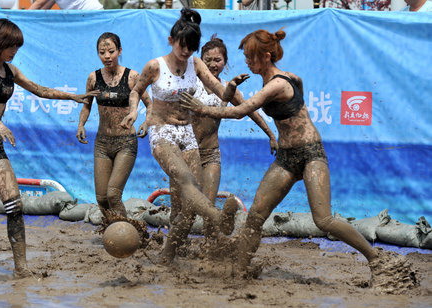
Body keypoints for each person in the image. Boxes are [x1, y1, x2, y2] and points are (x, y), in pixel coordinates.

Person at [180, 29, 417, 292]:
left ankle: (378, 260)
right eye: (246, 56)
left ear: (266, 56)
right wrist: (233, 87)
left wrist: (200, 108)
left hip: (310, 154)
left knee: (323, 220)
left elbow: (239, 112)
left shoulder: (278, 83)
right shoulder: (288, 78)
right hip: (286, 157)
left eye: (250, 56)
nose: (247, 61)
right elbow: (292, 90)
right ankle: (239, 272)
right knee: (256, 215)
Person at [0, 18, 98, 278]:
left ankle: (21, 268)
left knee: (14, 205)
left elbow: (39, 90)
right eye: (11, 46)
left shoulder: (11, 71)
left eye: (17, 47)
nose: (14, 51)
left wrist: (72, 96)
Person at [121, 8, 243, 263]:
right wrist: (134, 112)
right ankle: (218, 217)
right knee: (188, 182)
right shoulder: (155, 66)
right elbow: (136, 91)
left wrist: (231, 86)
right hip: (161, 131)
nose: (186, 52)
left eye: (191, 47)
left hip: (187, 134)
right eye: (182, 46)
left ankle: (168, 254)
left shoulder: (196, 64)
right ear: (171, 41)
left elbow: (222, 93)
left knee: (187, 203)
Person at [180, 35, 277, 236]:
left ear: (225, 62)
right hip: (188, 154)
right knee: (186, 208)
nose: (213, 64)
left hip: (211, 154)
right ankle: (176, 247)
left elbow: (250, 110)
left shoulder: (226, 88)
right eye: (208, 60)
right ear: (200, 60)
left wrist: (271, 135)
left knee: (208, 206)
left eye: (218, 60)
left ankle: (209, 252)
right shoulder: (190, 83)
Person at [76, 32, 151, 225]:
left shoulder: (132, 76)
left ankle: (130, 234)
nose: (107, 56)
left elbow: (150, 104)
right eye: (102, 52)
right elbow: (87, 105)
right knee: (101, 198)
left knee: (113, 195)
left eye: (111, 51)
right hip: (102, 143)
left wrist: (146, 122)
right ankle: (114, 234)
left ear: (119, 51)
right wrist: (81, 124)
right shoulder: (93, 78)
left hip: (125, 143)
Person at [28, 0, 104, 10]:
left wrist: (21, 16)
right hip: (82, 16)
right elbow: (44, 8)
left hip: (93, 13)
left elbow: (39, 3)